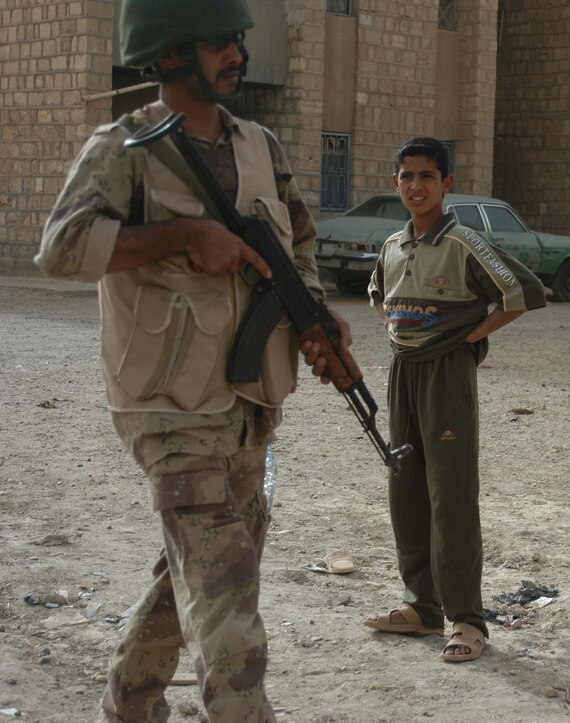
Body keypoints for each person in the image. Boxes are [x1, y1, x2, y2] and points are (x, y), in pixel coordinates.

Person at [35, 0, 352, 719]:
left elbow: (298, 244)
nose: (236, 53)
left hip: (246, 401)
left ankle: (131, 702)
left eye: (237, 40)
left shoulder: (260, 147)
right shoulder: (126, 148)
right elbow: (59, 248)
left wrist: (316, 314)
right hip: (165, 403)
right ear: (171, 52)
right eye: (219, 42)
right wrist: (179, 236)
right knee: (228, 591)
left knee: (202, 572)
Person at [364, 138, 547, 662]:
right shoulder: (392, 246)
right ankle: (422, 607)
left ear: (446, 184)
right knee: (407, 491)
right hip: (404, 375)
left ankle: (467, 621)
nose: (415, 186)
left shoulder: (463, 242)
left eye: (427, 176)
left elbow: (522, 292)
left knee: (452, 497)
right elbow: (379, 295)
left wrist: (468, 338)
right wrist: (398, 334)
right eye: (406, 176)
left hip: (447, 377)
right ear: (395, 182)